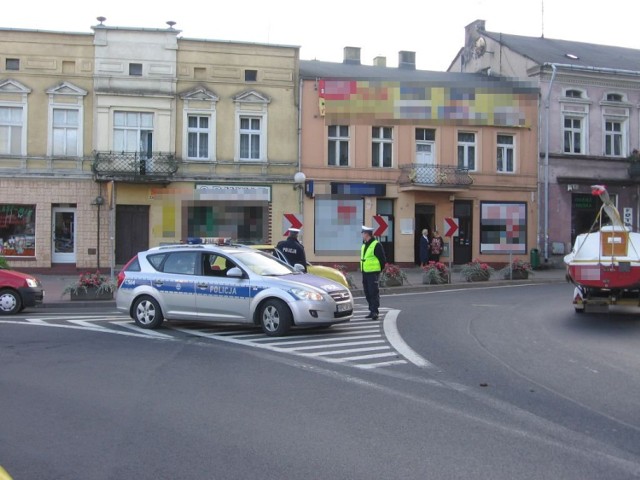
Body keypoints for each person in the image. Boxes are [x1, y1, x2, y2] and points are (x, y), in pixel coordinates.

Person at [360, 225, 386, 320]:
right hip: (365, 272)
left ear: (367, 234)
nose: (362, 235)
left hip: (373, 273)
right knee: (367, 292)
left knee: (373, 292)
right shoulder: (364, 244)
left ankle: (375, 311)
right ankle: (371, 310)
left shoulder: (376, 244)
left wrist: (379, 270)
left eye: (363, 233)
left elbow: (382, 259)